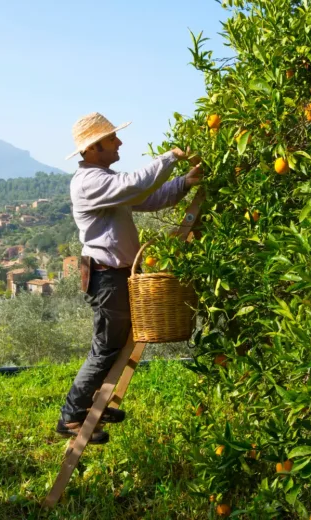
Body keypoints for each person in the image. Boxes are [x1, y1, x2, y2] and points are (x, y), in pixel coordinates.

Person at [56, 112, 202, 444]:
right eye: (112, 139)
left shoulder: (103, 179)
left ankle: (97, 402)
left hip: (115, 275)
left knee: (118, 343)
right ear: (94, 148)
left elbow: (147, 197)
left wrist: (185, 183)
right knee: (106, 347)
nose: (119, 142)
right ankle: (71, 417)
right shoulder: (90, 182)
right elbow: (134, 185)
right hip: (106, 277)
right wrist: (172, 156)